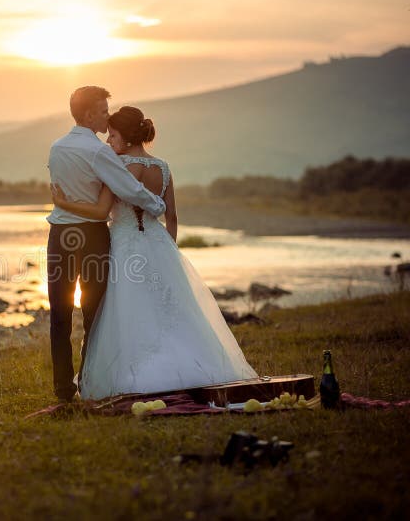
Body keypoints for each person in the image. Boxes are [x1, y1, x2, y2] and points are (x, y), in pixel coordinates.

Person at [51, 105, 258, 400]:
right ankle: (192, 366)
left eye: (113, 135)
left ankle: (133, 373)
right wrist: (168, 253)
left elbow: (100, 210)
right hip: (158, 244)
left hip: (124, 246)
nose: (109, 141)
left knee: (126, 312)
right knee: (170, 312)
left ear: (126, 137)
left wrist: (63, 202)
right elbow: (171, 217)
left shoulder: (119, 166)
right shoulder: (162, 167)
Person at [46, 87, 166, 403]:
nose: (107, 116)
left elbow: (60, 190)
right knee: (93, 313)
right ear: (87, 115)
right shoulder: (100, 152)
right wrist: (157, 205)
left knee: (59, 311)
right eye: (102, 111)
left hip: (59, 236)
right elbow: (128, 188)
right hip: (90, 235)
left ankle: (62, 390)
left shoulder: (56, 148)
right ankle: (89, 381)